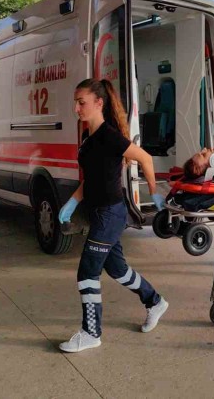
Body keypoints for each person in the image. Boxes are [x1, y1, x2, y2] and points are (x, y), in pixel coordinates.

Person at [58, 78, 169, 353]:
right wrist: (71, 202)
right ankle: (155, 301)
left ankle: (91, 333)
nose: (76, 108)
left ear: (99, 103)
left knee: (87, 272)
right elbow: (91, 179)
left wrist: (153, 193)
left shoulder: (109, 136)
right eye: (75, 102)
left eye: (81, 102)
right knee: (117, 269)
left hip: (110, 213)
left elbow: (145, 158)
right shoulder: (88, 137)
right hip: (98, 212)